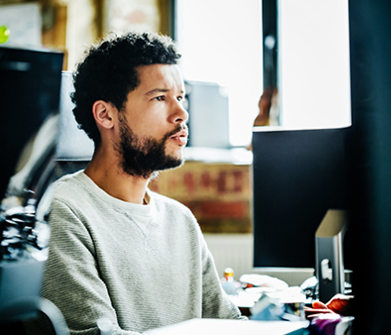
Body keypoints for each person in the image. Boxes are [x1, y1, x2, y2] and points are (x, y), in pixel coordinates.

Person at [40, 32, 245, 335]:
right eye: (160, 98)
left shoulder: (181, 220)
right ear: (105, 114)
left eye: (180, 97)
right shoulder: (64, 211)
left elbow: (228, 326)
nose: (181, 114)